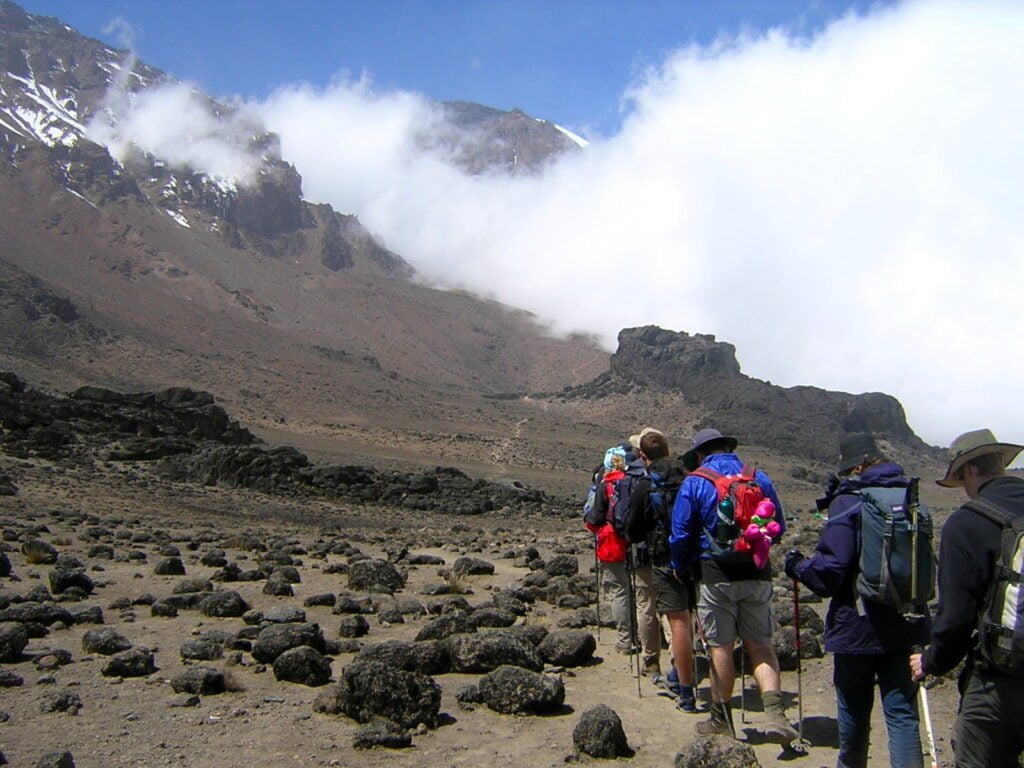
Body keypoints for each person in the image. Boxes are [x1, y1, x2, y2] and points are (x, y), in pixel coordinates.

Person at [785, 434, 931, 768]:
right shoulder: (910, 497)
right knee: (902, 714)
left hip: (858, 626)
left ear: (858, 467)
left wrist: (797, 566)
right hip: (907, 622)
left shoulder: (850, 499)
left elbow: (830, 570)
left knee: (854, 710)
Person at [669, 428, 797, 742]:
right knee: (761, 645)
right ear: (728, 449)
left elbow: (681, 533)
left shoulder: (695, 482)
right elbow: (778, 525)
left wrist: (680, 568)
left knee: (720, 647)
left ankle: (721, 720)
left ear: (700, 454)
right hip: (756, 572)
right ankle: (776, 714)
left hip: (716, 576)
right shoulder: (758, 477)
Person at [910, 429, 1024, 768]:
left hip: (999, 684)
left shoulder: (967, 523)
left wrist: (932, 661)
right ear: (1001, 462)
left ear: (969, 471)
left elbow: (956, 618)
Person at [624, 429, 698, 711]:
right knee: (690, 617)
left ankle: (684, 688)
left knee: (677, 621)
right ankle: (679, 673)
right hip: (692, 557)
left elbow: (632, 530)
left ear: (642, 455)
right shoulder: (687, 479)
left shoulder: (646, 485)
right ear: (667, 451)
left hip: (663, 558)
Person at [584, 442, 662, 673]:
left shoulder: (606, 483)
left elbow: (595, 517)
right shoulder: (639, 480)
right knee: (644, 593)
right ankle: (650, 638)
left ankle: (626, 640)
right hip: (640, 541)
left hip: (613, 543)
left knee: (619, 590)